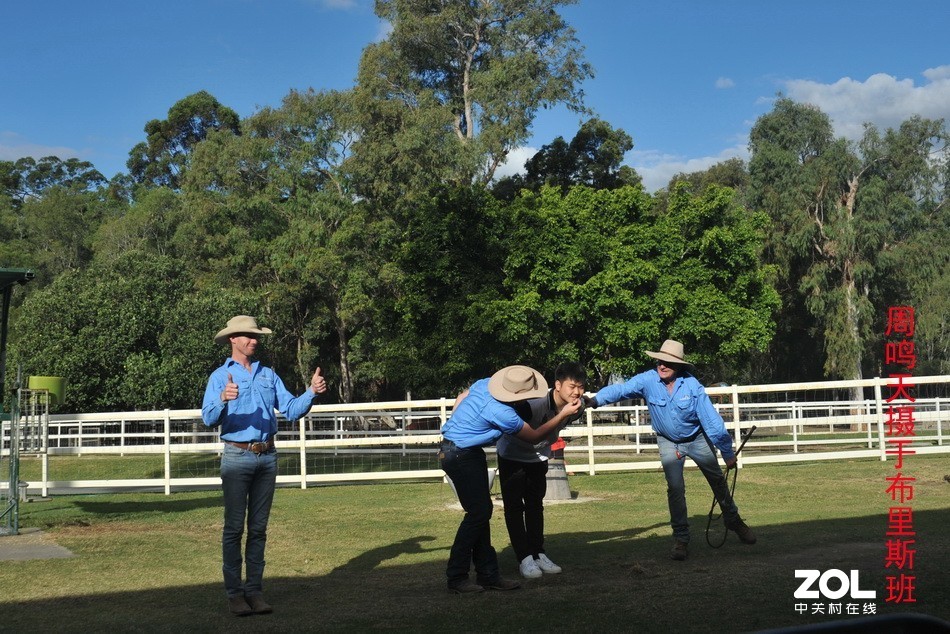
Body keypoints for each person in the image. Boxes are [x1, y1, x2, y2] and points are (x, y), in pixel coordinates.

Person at [202, 315, 328, 616]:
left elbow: (291, 410)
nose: (254, 340)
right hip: (236, 456)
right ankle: (235, 594)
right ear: (233, 339)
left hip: (267, 457)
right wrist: (223, 398)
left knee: (258, 529)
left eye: (256, 335)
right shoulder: (220, 377)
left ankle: (254, 592)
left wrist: (310, 392)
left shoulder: (268, 375)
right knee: (234, 529)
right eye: (247, 335)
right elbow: (208, 417)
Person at [586, 339, 756, 561]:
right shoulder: (648, 380)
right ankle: (681, 538)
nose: (662, 365)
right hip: (668, 441)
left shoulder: (692, 386)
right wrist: (595, 400)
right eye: (660, 361)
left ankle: (733, 520)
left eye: (668, 362)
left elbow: (710, 420)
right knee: (675, 488)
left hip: (697, 439)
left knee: (717, 479)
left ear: (679, 366)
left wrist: (726, 451)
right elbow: (622, 389)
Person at [440, 365, 583, 594]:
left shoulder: (484, 384)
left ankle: (488, 575)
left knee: (482, 512)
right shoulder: (503, 413)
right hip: (460, 455)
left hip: (462, 450)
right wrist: (563, 414)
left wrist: (455, 427)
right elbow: (534, 436)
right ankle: (457, 576)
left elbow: (461, 396)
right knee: (478, 513)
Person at [496, 362, 587, 579]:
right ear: (557, 385)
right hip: (512, 456)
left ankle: (538, 553)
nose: (576, 392)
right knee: (514, 507)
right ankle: (524, 558)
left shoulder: (577, 406)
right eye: (572, 386)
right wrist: (562, 414)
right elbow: (531, 434)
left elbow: (585, 403)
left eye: (581, 387)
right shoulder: (532, 405)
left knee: (536, 505)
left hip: (538, 456)